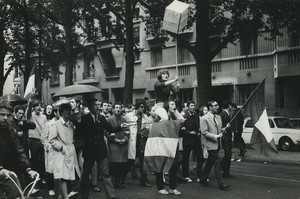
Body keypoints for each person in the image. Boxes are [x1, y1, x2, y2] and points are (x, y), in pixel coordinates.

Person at [79, 99, 125, 199]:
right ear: (90, 106)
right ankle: (84, 195)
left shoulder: (101, 117)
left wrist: (121, 127)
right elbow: (80, 133)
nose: (98, 107)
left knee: (106, 173)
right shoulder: (85, 118)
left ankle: (111, 196)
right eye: (95, 105)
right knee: (86, 174)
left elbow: (110, 129)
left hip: (101, 150)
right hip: (89, 150)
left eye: (99, 105)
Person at [0, 100, 39, 199]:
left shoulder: (11, 131)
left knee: (17, 194)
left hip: (8, 171)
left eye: (8, 115)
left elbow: (19, 150)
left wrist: (28, 169)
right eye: (2, 114)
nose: (5, 118)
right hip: (2, 170)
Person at [49, 103, 80, 199]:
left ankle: (61, 195)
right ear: (61, 112)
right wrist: (61, 147)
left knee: (69, 175)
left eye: (69, 110)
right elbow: (51, 139)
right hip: (60, 153)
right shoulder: (56, 124)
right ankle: (65, 197)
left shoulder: (71, 125)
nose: (68, 112)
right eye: (66, 110)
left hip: (70, 152)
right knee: (63, 176)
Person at [200, 100, 230, 190]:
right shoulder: (204, 118)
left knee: (210, 162)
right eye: (215, 105)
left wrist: (225, 128)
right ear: (210, 107)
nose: (217, 107)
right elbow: (204, 132)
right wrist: (216, 136)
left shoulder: (218, 118)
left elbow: (220, 130)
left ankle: (203, 178)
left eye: (217, 105)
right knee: (217, 162)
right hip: (210, 144)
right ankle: (220, 183)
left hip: (217, 144)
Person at [155, 101, 182, 196]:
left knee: (174, 165)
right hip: (162, 143)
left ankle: (172, 187)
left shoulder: (175, 117)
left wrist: (175, 112)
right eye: (172, 104)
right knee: (161, 165)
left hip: (173, 144)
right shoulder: (161, 117)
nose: (174, 106)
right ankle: (160, 187)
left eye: (175, 104)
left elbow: (182, 120)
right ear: (167, 106)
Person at [126, 102, 152, 187]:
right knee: (129, 162)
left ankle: (144, 181)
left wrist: (142, 132)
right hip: (132, 140)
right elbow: (124, 126)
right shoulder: (129, 115)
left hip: (141, 141)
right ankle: (120, 178)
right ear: (137, 107)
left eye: (144, 107)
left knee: (143, 161)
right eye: (141, 107)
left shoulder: (146, 117)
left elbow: (148, 129)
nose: (142, 108)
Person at [26, 95, 47, 189]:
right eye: (37, 105)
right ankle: (35, 181)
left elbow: (45, 129)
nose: (39, 107)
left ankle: (42, 178)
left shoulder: (44, 117)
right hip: (33, 141)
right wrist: (30, 101)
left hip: (42, 141)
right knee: (34, 161)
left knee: (43, 161)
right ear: (33, 108)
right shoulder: (31, 115)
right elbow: (28, 110)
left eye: (40, 105)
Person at [107, 103, 130, 189]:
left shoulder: (124, 119)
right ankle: (112, 182)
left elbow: (128, 130)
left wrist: (125, 139)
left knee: (121, 165)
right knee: (113, 164)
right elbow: (106, 132)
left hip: (123, 144)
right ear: (113, 109)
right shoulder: (109, 119)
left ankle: (118, 182)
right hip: (114, 145)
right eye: (116, 108)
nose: (118, 109)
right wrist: (114, 140)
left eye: (119, 108)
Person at [181, 101, 204, 183]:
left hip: (196, 140)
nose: (193, 107)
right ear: (187, 107)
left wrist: (198, 133)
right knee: (185, 159)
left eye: (194, 105)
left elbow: (198, 127)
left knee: (200, 157)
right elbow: (181, 130)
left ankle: (199, 175)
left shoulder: (196, 116)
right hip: (188, 140)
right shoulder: (184, 116)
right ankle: (185, 176)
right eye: (191, 105)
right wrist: (189, 132)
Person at [41, 107, 60, 196]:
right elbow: (43, 137)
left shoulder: (62, 123)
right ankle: (51, 188)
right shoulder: (49, 124)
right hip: (51, 150)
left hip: (60, 149)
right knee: (50, 170)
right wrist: (47, 145)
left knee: (60, 169)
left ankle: (62, 189)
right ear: (55, 113)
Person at [219, 100, 234, 178]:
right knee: (228, 154)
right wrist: (226, 127)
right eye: (231, 105)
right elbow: (219, 127)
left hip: (228, 136)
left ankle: (226, 172)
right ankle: (221, 167)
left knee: (229, 154)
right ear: (229, 106)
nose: (231, 107)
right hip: (224, 137)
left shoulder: (228, 114)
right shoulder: (221, 115)